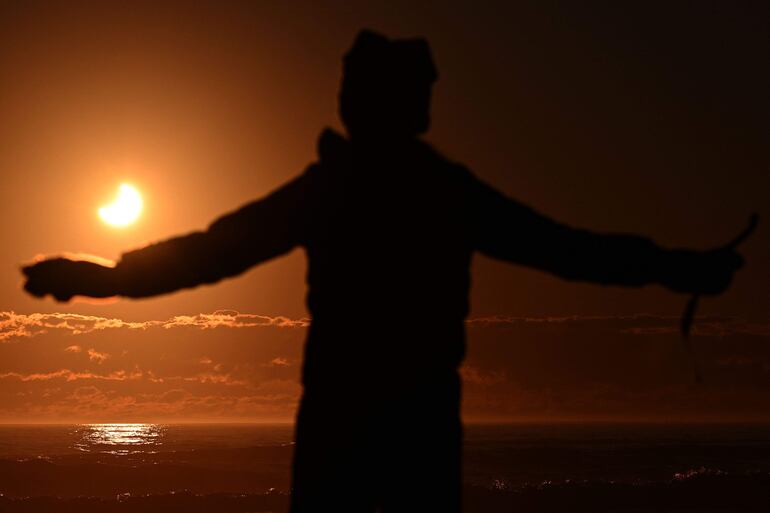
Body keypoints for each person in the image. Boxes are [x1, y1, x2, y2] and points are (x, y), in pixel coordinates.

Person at [21, 30, 743, 513]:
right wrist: (681, 267)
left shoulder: (355, 187)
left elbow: (214, 250)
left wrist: (109, 278)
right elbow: (569, 248)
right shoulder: (423, 189)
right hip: (406, 430)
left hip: (365, 428)